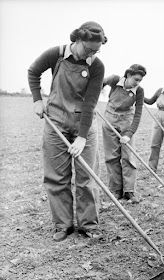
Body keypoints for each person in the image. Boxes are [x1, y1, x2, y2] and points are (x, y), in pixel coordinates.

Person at [28, 21, 107, 242]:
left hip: (84, 123)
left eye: (96, 50)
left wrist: (82, 137)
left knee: (87, 176)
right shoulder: (57, 54)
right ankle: (63, 224)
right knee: (57, 177)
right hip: (56, 121)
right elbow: (33, 71)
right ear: (78, 40)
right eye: (89, 49)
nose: (92, 54)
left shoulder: (97, 66)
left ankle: (88, 224)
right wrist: (37, 100)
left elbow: (90, 103)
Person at [102, 64, 146, 203]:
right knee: (111, 157)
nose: (137, 83)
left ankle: (129, 191)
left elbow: (138, 114)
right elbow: (99, 83)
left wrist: (129, 133)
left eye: (140, 80)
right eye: (136, 79)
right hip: (109, 119)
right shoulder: (114, 80)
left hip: (127, 121)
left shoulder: (139, 91)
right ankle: (115, 190)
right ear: (127, 75)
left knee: (128, 157)